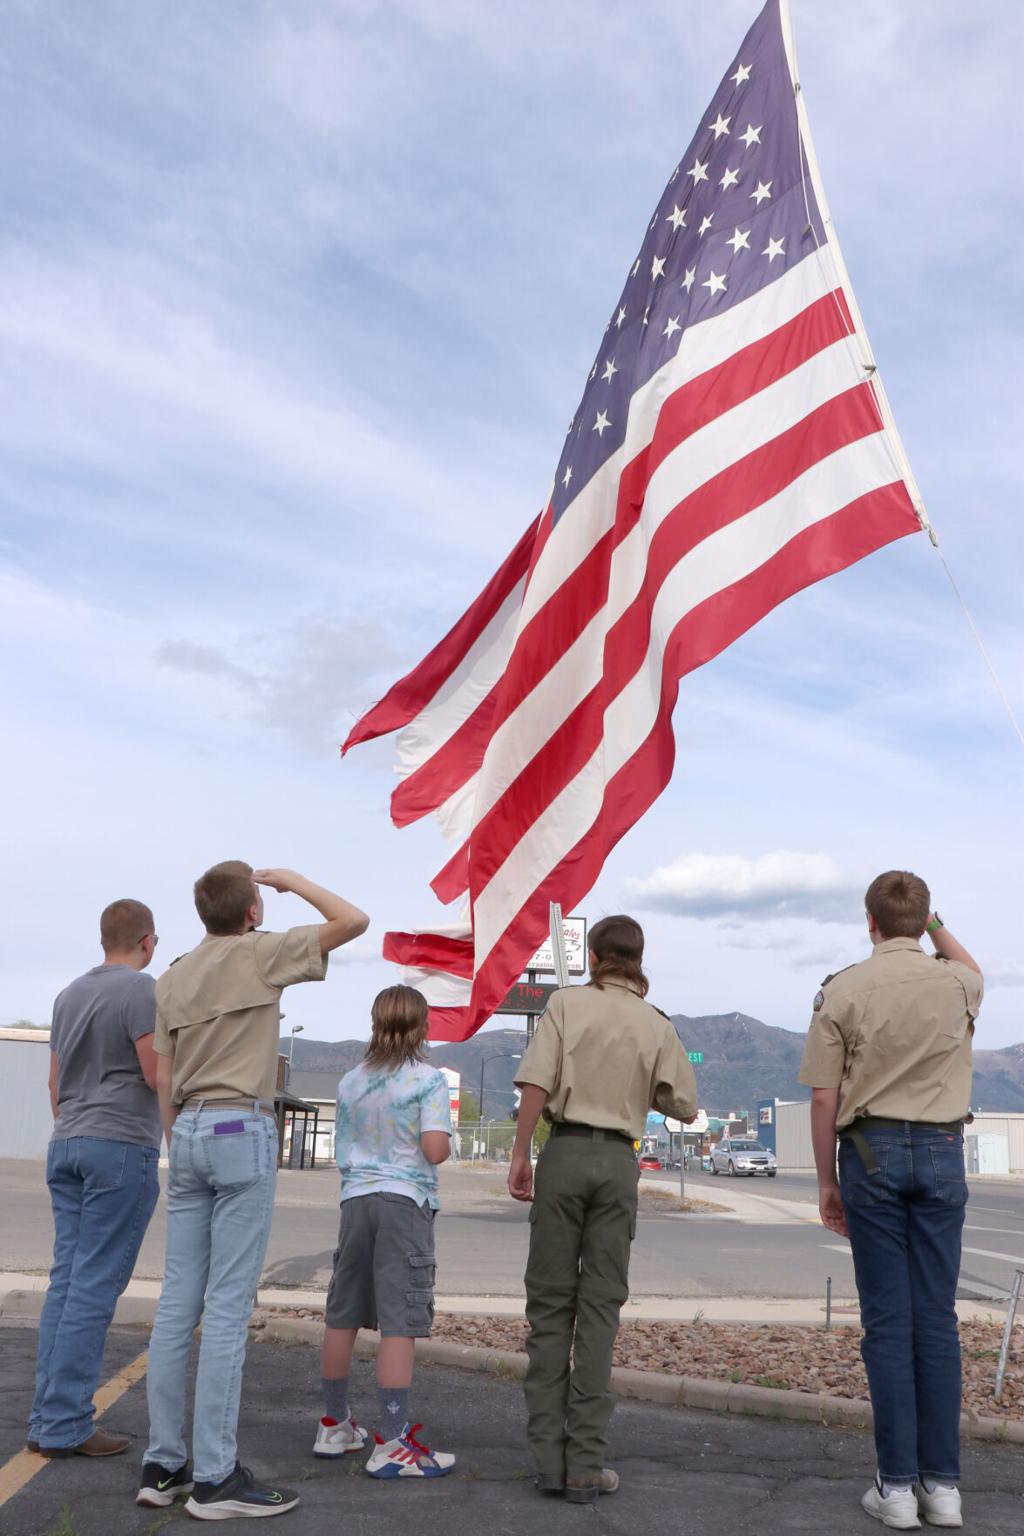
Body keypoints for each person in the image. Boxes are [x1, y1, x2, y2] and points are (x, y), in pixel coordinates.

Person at [138, 863, 368, 1519]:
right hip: (242, 1124)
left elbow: (163, 1074)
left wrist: (175, 1139)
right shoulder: (262, 953)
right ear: (252, 913)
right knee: (228, 1309)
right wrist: (294, 881)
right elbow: (353, 921)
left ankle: (163, 1466)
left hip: (185, 1130)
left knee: (178, 1301)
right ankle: (215, 1477)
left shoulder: (175, 975)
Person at [799, 871, 983, 1532]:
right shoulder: (957, 983)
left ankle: (897, 1488)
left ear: (868, 922)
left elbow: (824, 1098)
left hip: (872, 1152)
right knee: (935, 1318)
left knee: (888, 1320)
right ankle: (944, 1488)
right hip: (941, 1148)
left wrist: (827, 1183)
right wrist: (931, 924)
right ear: (924, 919)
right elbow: (968, 962)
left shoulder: (843, 988)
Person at [508, 914, 698, 1504]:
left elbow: (536, 1085)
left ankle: (548, 1459)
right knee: (598, 1312)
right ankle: (587, 1463)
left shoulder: (565, 1006)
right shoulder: (656, 1023)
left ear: (593, 956)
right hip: (619, 1163)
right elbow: (685, 1105)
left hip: (563, 1155)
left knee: (549, 1307)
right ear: (638, 960)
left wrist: (521, 1155)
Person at [29, 899, 161, 1459]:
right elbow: (156, 1071)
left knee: (66, 1285)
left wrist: (78, 1131)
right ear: (147, 941)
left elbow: (55, 1082)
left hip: (69, 1142)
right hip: (120, 1143)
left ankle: (48, 1419)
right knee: (93, 1288)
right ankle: (66, 1425)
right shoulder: (141, 989)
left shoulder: (69, 995)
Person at [315, 984, 455, 1480]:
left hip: (356, 1200)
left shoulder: (352, 1080)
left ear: (375, 1024)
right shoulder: (428, 1080)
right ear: (421, 1027)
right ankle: (393, 1441)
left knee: (344, 1310)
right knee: (400, 1318)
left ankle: (334, 1423)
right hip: (404, 1200)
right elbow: (434, 1149)